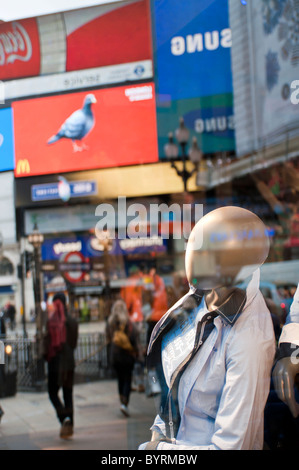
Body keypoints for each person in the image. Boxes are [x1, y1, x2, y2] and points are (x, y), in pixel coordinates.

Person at [139, 206, 276, 450]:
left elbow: (231, 447)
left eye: (206, 250)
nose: (193, 255)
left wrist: (158, 451)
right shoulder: (202, 301)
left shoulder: (249, 339)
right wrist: (160, 432)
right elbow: (176, 381)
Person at [44, 292, 78, 439]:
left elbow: (46, 344)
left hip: (54, 364)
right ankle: (69, 425)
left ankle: (63, 417)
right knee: (68, 393)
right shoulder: (72, 321)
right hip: (68, 363)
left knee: (52, 393)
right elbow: (74, 343)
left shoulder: (50, 321)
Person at [106, 299, 141, 417]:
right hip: (127, 355)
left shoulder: (110, 323)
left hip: (115, 355)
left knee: (120, 378)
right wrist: (137, 351)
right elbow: (135, 335)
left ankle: (122, 400)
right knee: (127, 378)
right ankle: (125, 402)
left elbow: (108, 339)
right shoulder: (129, 323)